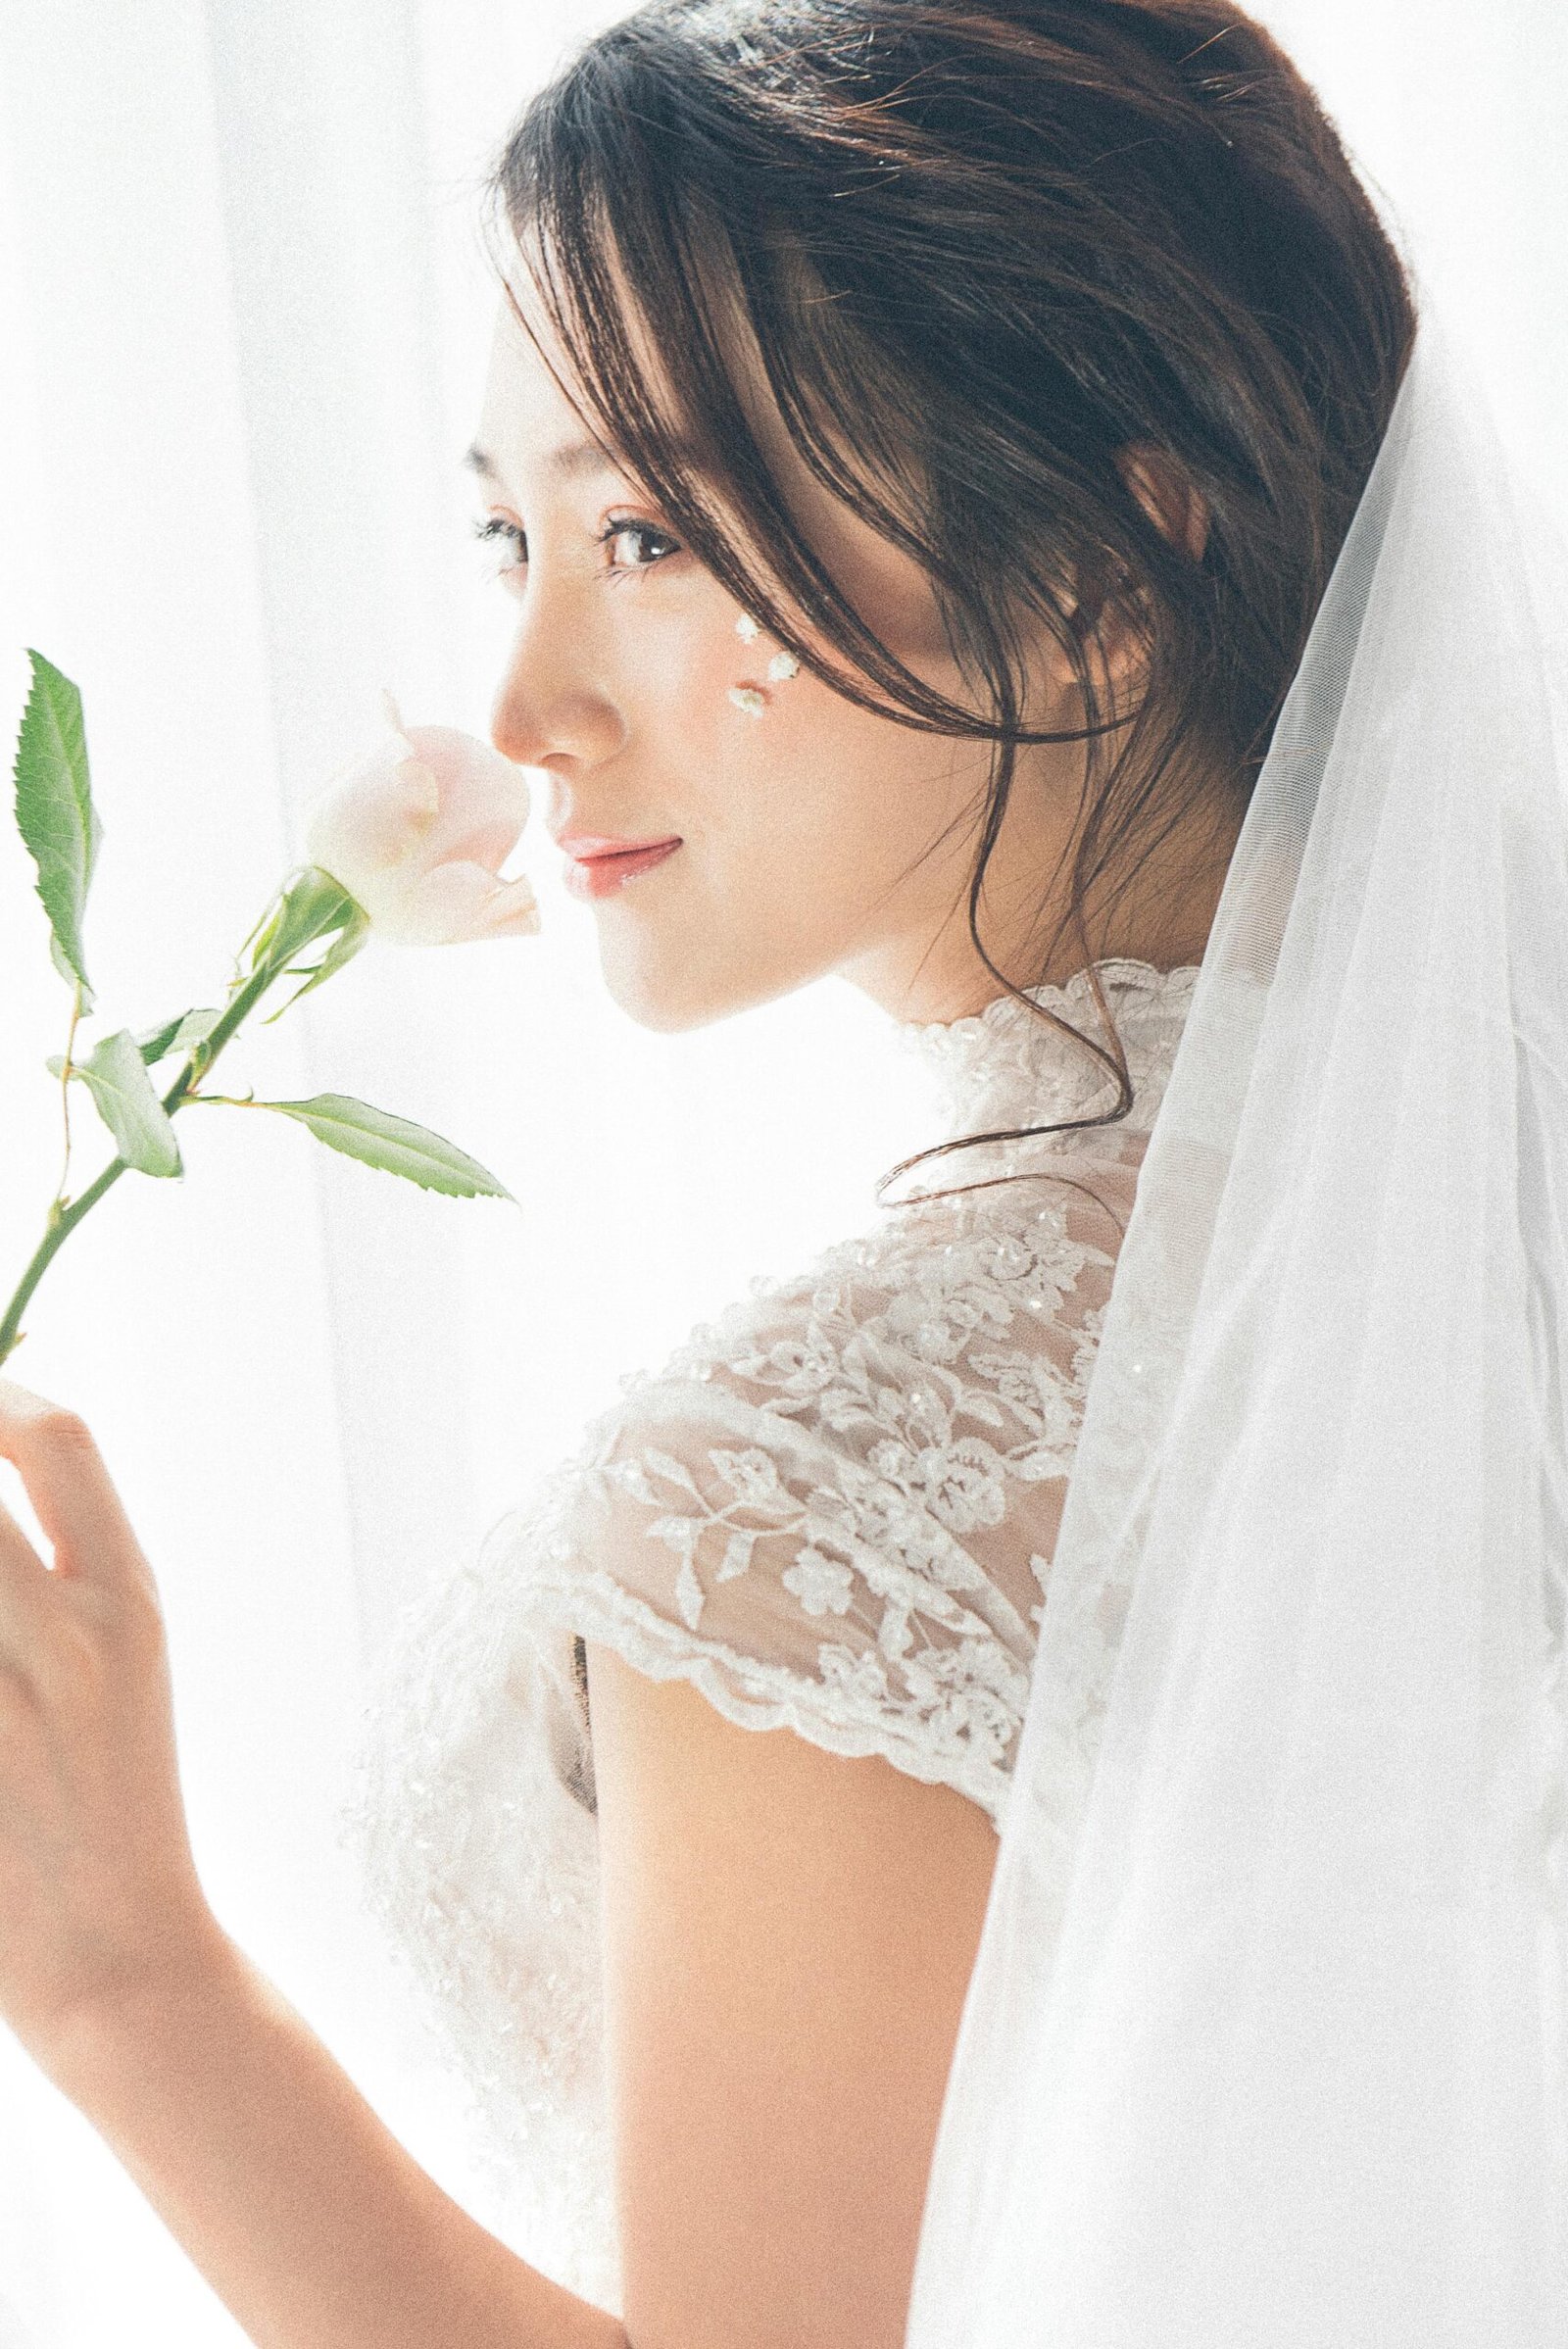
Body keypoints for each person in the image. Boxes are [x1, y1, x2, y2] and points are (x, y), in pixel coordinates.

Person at [0, 2, 1475, 2345]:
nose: (518, 702)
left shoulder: (814, 1497)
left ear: (1101, 564)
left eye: (647, 528)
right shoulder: (1476, 1224)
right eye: (511, 533)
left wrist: (126, 1988)